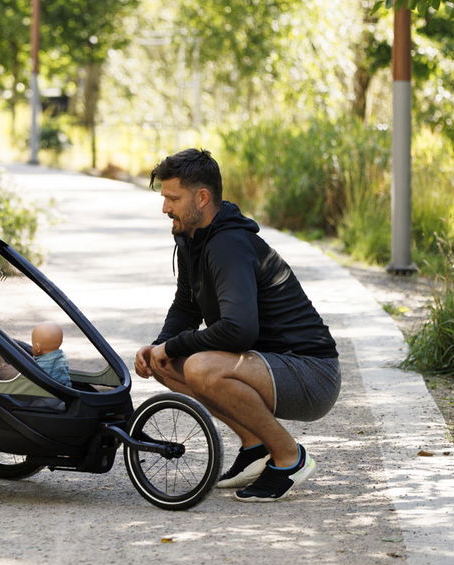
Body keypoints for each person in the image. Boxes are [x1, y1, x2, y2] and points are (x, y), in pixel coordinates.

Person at [134, 148, 340, 502]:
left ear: (202, 198)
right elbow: (186, 305)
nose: (165, 208)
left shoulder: (229, 244)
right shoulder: (193, 238)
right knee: (164, 363)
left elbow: (238, 330)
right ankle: (255, 447)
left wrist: (174, 345)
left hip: (311, 373)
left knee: (201, 367)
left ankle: (289, 458)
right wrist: (160, 346)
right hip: (267, 365)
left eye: (173, 198)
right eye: (164, 198)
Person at [30, 322, 71, 386]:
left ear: (37, 347)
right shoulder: (62, 357)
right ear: (61, 342)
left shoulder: (41, 366)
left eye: (33, 345)